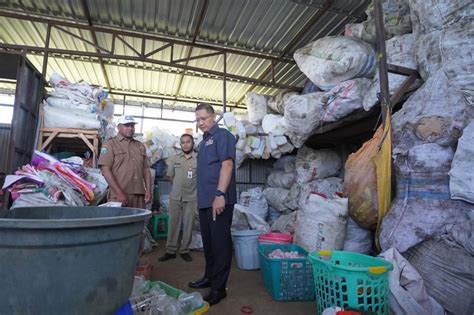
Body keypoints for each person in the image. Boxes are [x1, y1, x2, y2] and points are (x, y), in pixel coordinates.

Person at [188, 103, 237, 306]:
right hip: (205, 201)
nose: (200, 123)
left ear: (213, 117)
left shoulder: (222, 136)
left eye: (204, 118)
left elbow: (227, 165)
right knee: (208, 243)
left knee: (220, 244)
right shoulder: (204, 141)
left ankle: (219, 288)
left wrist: (219, 194)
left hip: (219, 200)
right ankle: (209, 277)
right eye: (197, 119)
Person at [98, 115, 152, 208]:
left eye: (132, 126)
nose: (130, 128)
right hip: (118, 195)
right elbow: (105, 171)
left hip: (139, 195)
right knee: (118, 222)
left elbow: (146, 170)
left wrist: (148, 190)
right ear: (118, 127)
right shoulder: (110, 144)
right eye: (126, 125)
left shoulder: (140, 146)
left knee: (137, 222)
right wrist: (119, 193)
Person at [158, 133, 197, 262]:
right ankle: (170, 250)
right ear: (180, 145)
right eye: (183, 142)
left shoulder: (198, 159)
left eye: (188, 142)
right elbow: (170, 176)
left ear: (193, 144)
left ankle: (185, 250)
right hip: (175, 196)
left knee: (188, 224)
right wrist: (177, 187)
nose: (185, 144)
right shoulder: (175, 159)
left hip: (191, 197)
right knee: (173, 223)